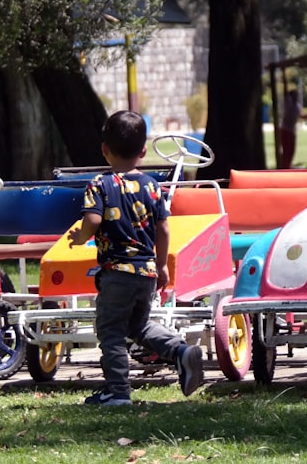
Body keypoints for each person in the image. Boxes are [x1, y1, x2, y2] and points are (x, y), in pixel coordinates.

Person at [67, 110, 205, 406]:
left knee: (111, 331)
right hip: (146, 273)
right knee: (138, 325)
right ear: (143, 151)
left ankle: (117, 392)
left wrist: (79, 237)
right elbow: (164, 228)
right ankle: (180, 352)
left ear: (104, 149)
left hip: (116, 271)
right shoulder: (152, 187)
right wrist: (162, 265)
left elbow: (91, 221)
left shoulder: (100, 185)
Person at [279, 88, 302, 168]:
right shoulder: (288, 104)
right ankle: (284, 166)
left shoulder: (298, 107)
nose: (296, 96)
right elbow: (286, 94)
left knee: (292, 150)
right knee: (286, 150)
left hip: (292, 131)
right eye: (295, 94)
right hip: (285, 130)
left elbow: (300, 115)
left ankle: (288, 165)